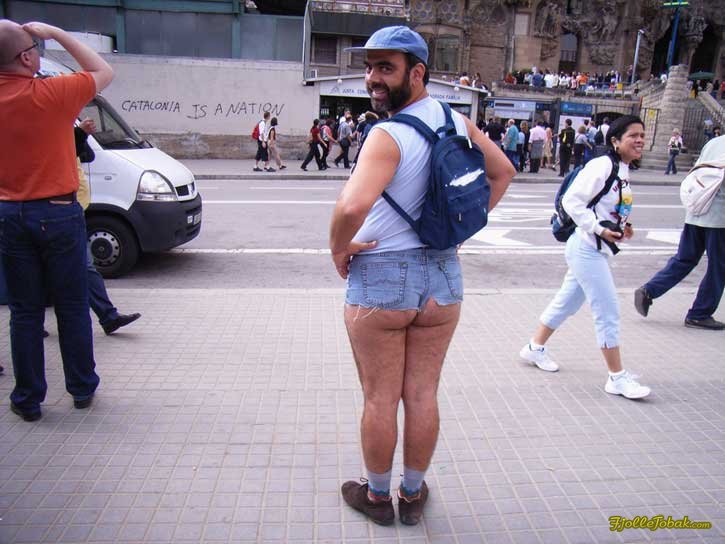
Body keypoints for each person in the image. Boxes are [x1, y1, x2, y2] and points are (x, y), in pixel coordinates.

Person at [331, 25, 515, 526]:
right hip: (443, 275)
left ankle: (377, 498)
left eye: (386, 68)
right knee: (422, 394)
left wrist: (338, 248)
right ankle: (412, 496)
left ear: (417, 73)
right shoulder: (457, 121)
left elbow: (351, 207)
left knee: (380, 397)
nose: (373, 78)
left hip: (382, 277)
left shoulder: (387, 134)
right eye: (370, 67)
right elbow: (502, 173)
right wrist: (461, 232)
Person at [0, 20, 113, 421]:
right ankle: (81, 388)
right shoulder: (51, 94)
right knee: (72, 306)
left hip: (9, 213)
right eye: (36, 48)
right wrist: (58, 34)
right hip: (58, 213)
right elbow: (102, 70)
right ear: (26, 57)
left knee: (25, 312)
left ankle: (28, 398)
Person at [520, 115, 652, 399]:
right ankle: (616, 378)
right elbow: (572, 201)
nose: (640, 140)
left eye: (642, 135)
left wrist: (622, 226)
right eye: (633, 135)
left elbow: (607, 205)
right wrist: (599, 228)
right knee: (608, 312)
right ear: (615, 140)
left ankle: (534, 348)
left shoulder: (622, 167)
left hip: (595, 249)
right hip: (585, 248)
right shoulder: (602, 165)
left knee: (566, 303)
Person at [635, 135, 725, 330]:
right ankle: (700, 314)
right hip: (720, 218)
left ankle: (649, 290)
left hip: (696, 211)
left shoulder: (714, 142)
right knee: (718, 267)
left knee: (684, 258)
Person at [75, 119, 142, 335]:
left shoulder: (63, 126)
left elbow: (84, 154)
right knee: (83, 268)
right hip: (59, 211)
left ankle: (108, 316)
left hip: (72, 207)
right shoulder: (50, 128)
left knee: (80, 269)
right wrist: (80, 133)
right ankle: (108, 316)